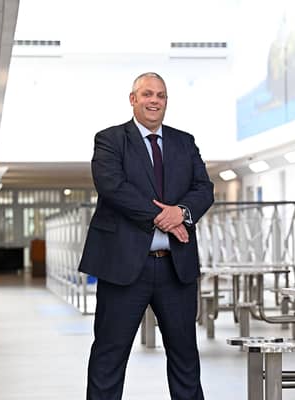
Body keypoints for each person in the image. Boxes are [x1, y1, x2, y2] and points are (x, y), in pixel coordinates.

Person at [78, 72, 214, 400]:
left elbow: (204, 189)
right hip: (124, 268)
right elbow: (113, 188)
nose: (155, 101)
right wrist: (162, 217)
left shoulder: (185, 142)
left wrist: (179, 213)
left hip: (175, 269)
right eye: (148, 94)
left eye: (161, 95)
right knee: (109, 356)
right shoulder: (110, 140)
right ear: (133, 99)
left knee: (185, 357)